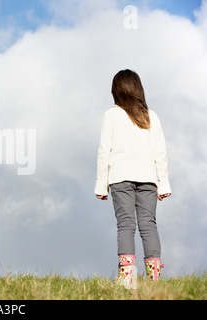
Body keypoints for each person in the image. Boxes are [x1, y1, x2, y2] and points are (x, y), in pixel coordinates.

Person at [94, 69, 171, 287]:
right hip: (148, 179)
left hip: (120, 178)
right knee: (149, 225)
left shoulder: (111, 115)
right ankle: (154, 276)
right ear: (139, 90)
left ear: (115, 92)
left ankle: (126, 275)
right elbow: (160, 152)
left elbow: (104, 151)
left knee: (125, 225)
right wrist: (163, 183)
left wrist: (101, 185)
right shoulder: (151, 115)